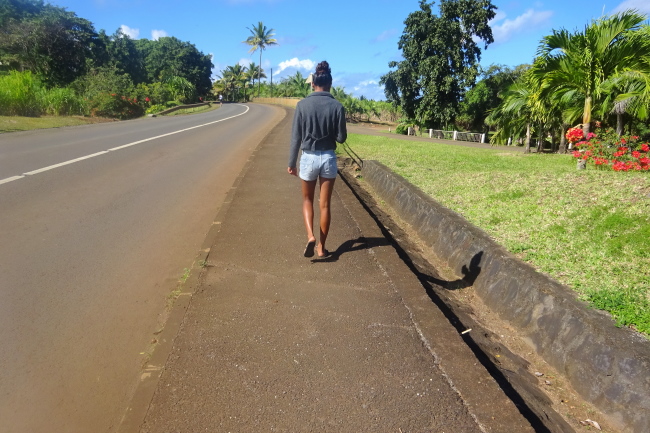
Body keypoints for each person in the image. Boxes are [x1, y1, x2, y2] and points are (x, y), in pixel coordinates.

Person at [288, 61, 347, 258]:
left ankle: (310, 236)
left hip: (308, 158)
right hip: (328, 157)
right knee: (325, 204)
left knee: (307, 200)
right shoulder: (337, 106)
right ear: (330, 84)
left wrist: (291, 163)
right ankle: (321, 247)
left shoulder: (302, 105)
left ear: (313, 84)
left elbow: (296, 137)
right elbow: (341, 138)